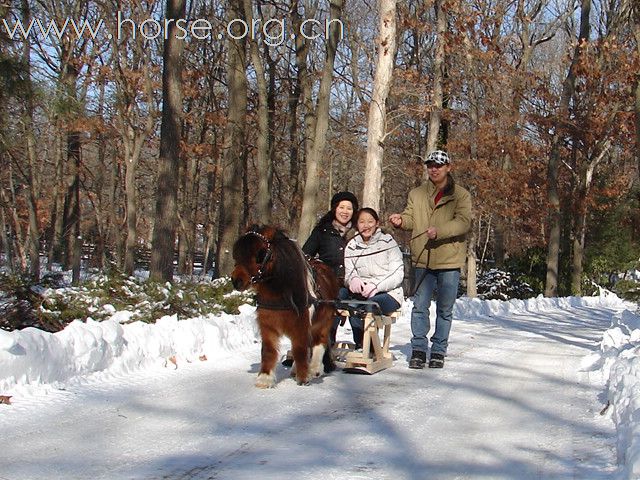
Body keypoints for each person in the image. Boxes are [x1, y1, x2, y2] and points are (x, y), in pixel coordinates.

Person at [389, 150, 472, 369]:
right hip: (422, 258)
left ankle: (438, 351)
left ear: (448, 168)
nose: (434, 169)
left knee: (445, 309)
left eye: (438, 165)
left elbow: (463, 222)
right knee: (420, 307)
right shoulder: (416, 194)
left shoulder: (461, 195)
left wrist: (440, 231)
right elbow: (410, 218)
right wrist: (400, 221)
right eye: (430, 165)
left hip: (449, 260)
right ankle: (418, 349)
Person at [301, 191, 359, 344]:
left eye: (349, 208)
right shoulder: (323, 230)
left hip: (355, 283)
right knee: (328, 304)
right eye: (342, 207)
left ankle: (363, 346)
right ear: (334, 209)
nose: (345, 212)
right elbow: (305, 254)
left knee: (358, 306)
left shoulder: (360, 232)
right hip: (328, 283)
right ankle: (324, 343)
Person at [342, 208, 404, 349]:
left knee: (369, 306)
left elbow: (397, 273)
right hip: (363, 293)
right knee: (352, 306)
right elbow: (349, 273)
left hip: (389, 293)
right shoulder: (352, 245)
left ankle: (369, 348)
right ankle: (360, 345)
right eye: (362, 222)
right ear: (357, 224)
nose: (366, 226)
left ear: (377, 223)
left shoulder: (388, 243)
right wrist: (353, 280)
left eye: (370, 222)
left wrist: (377, 286)